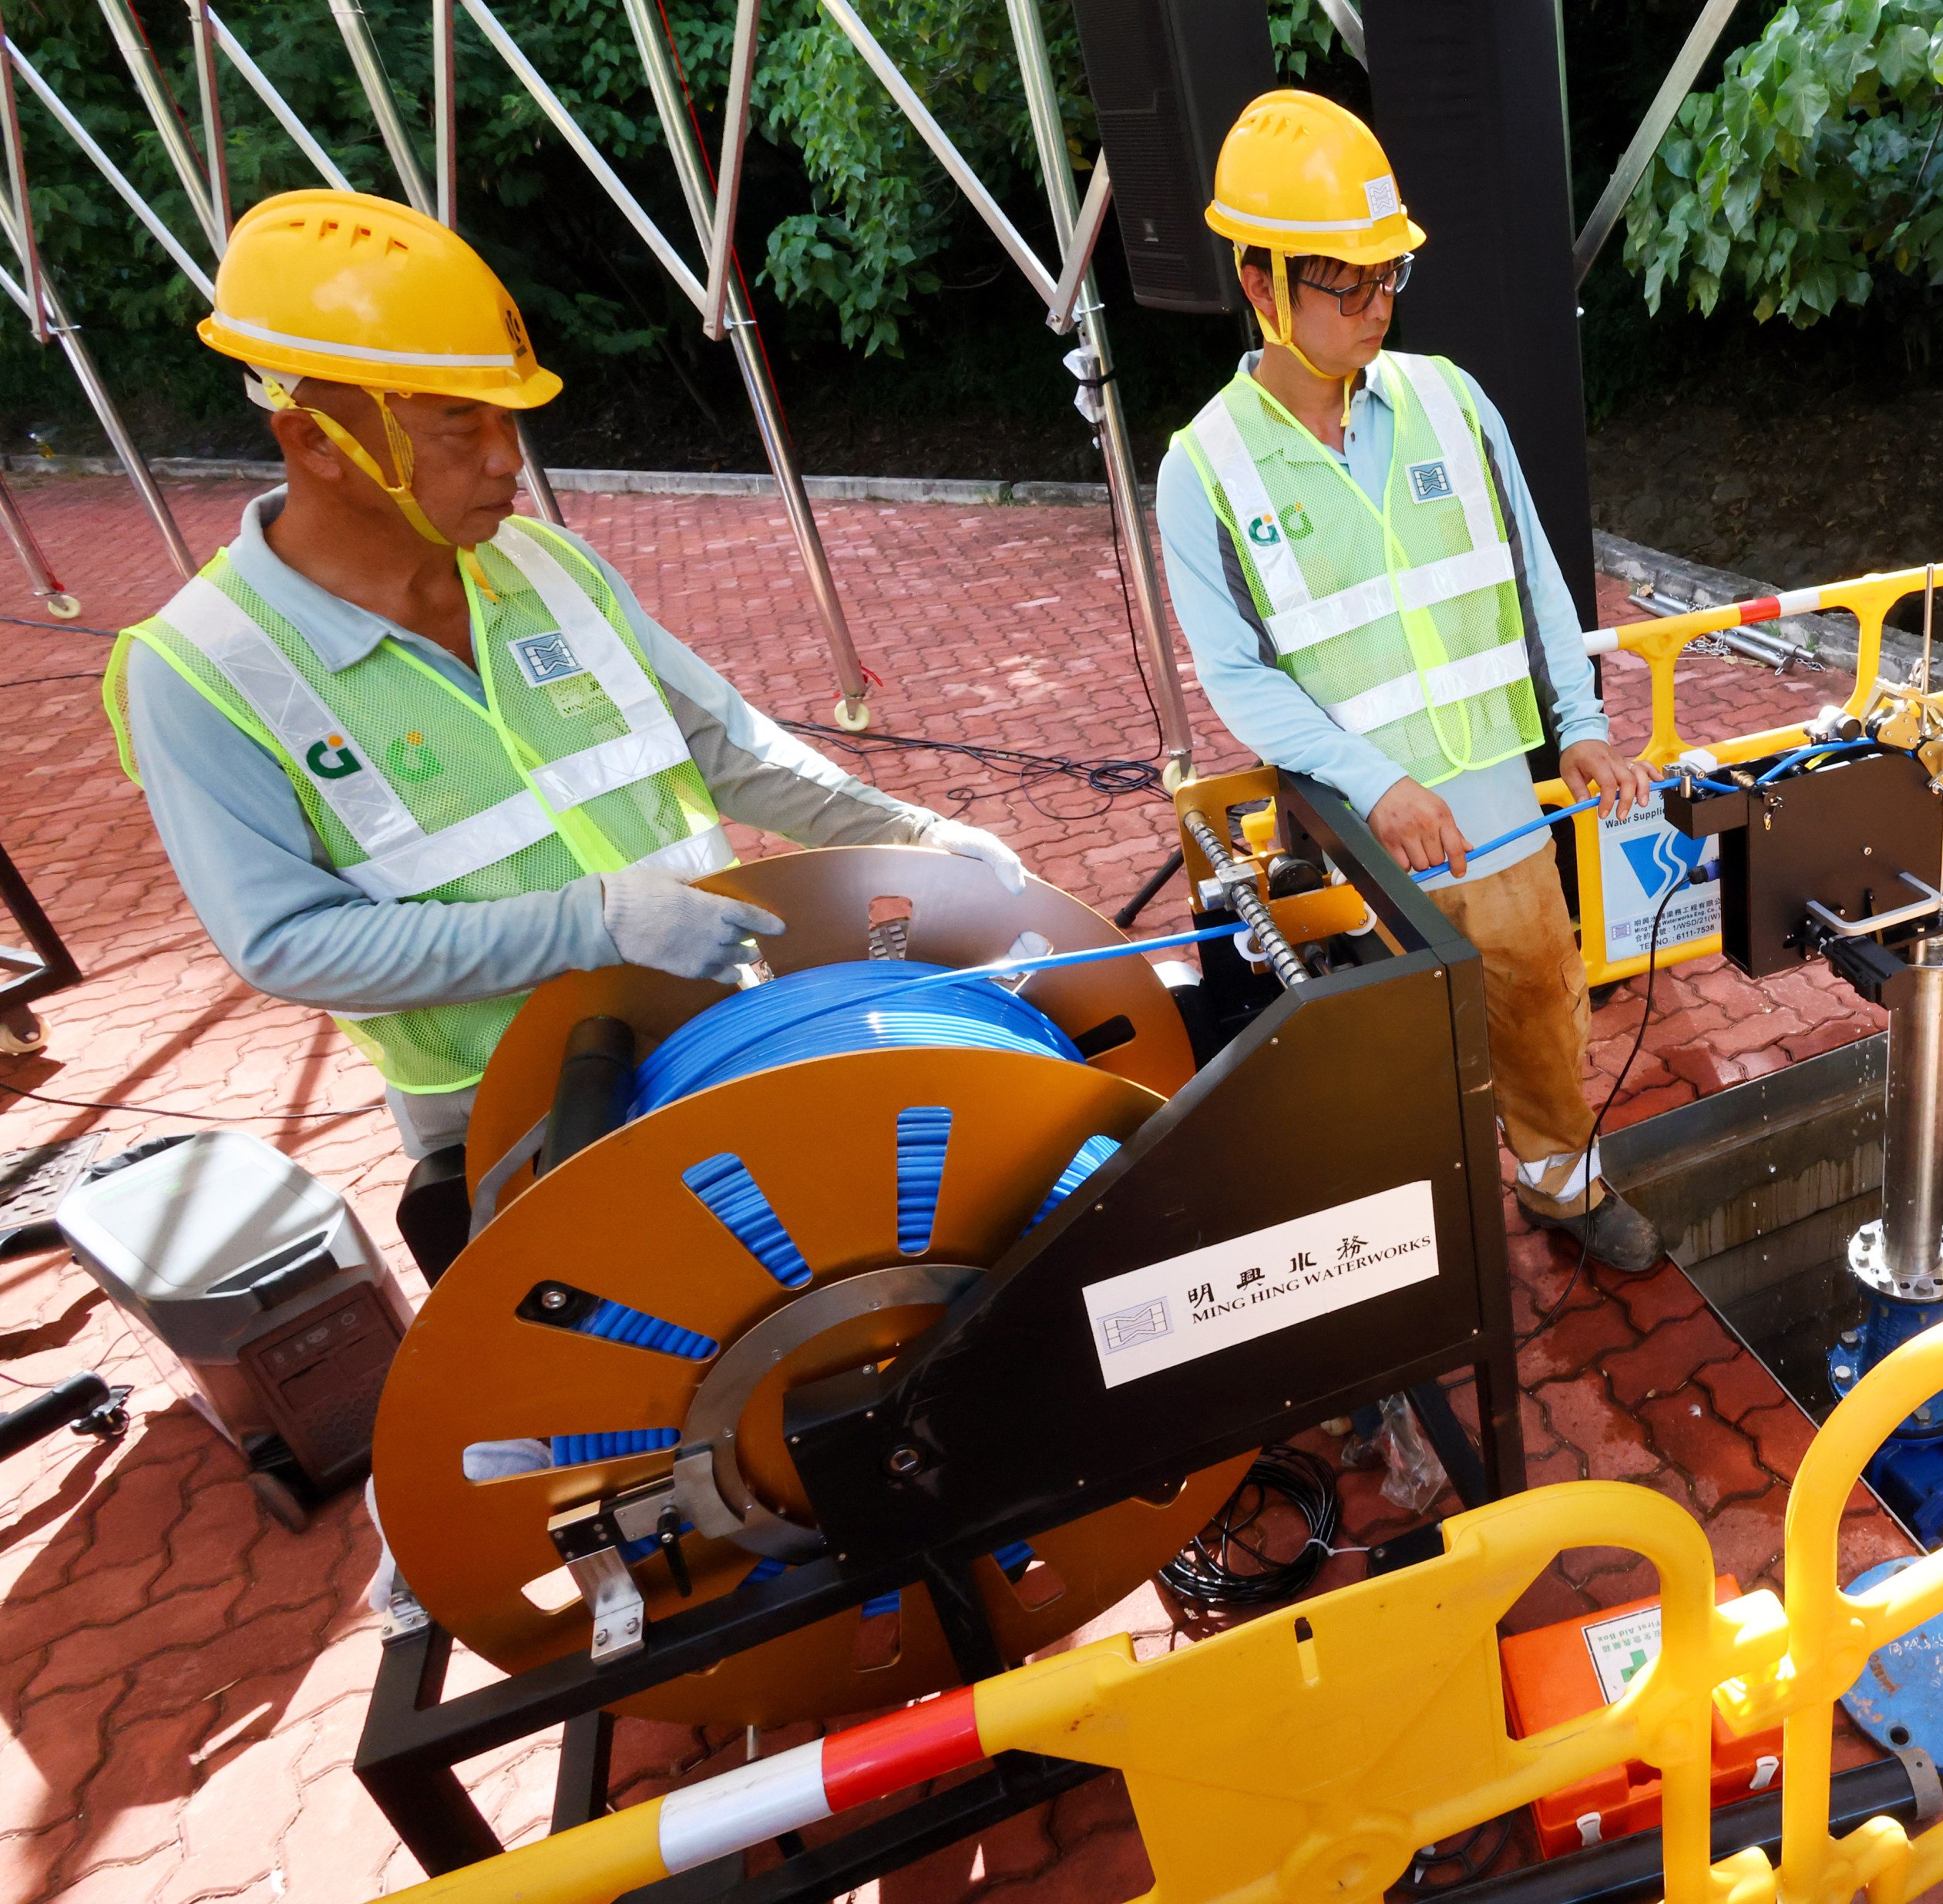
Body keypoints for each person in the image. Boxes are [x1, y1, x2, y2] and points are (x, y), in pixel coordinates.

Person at [103, 190, 1030, 1278]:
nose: (508, 461)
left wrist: (910, 832)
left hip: (716, 1034)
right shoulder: (202, 673)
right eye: (463, 424)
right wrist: (595, 921)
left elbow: (725, 744)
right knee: (636, 1372)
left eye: (509, 419)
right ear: (315, 437)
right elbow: (287, 943)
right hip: (513, 1115)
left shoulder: (548, 568)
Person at [1156, 90, 1666, 1274]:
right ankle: (1416, 1269)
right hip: (1355, 847)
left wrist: (1581, 729)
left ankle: (1562, 1186)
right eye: (1350, 283)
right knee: (1393, 1077)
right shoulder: (1205, 472)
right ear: (1260, 281)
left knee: (1543, 1013)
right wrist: (1375, 784)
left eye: (1391, 278)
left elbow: (1536, 581)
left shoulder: (1452, 401)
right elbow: (1238, 677)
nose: (1378, 306)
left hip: (1497, 819)